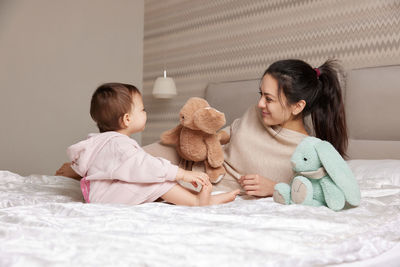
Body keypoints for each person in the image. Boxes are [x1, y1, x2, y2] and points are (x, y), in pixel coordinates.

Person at [57, 58, 347, 200]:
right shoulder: (258, 114)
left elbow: (327, 194)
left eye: (268, 98)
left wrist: (275, 188)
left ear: (297, 107)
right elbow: (228, 133)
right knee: (132, 158)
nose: (260, 103)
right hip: (193, 158)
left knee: (139, 176)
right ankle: (87, 165)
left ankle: (92, 174)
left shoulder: (310, 150)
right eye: (260, 93)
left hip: (210, 182)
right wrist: (198, 133)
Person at [62, 83, 239, 206]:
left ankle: (193, 198)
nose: (145, 112)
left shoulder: (104, 142)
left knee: (152, 177)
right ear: (127, 119)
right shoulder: (119, 145)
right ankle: (196, 202)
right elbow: (146, 166)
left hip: (100, 194)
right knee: (155, 178)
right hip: (106, 197)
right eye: (142, 109)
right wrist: (181, 174)